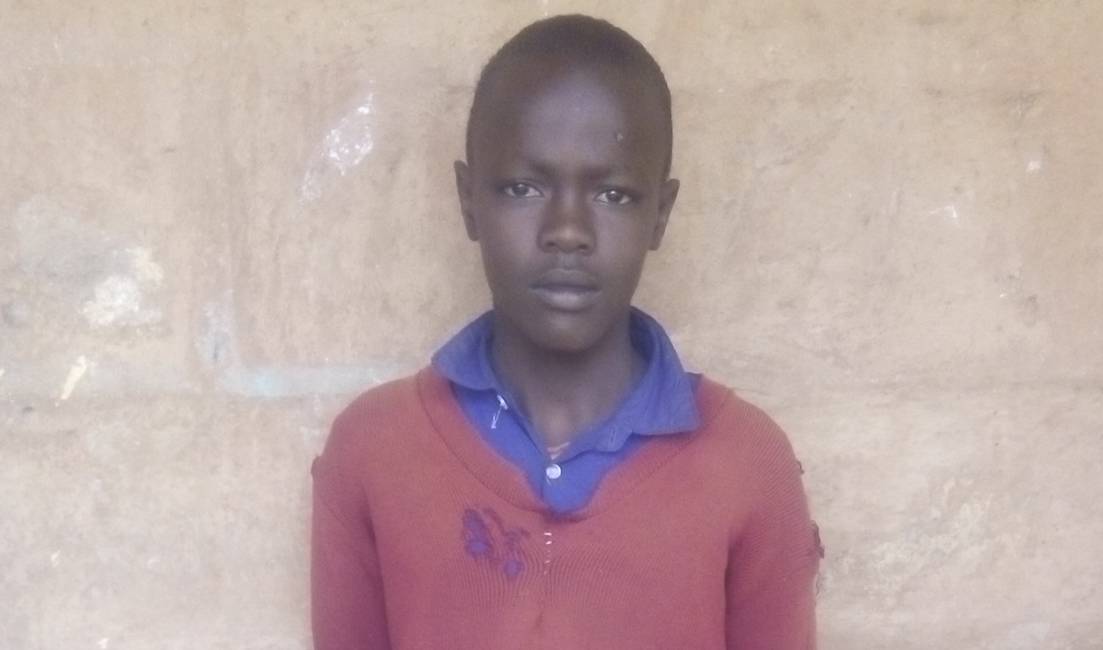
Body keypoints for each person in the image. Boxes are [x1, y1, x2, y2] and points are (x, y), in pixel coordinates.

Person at [311, 14, 822, 649]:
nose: (568, 231)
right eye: (523, 188)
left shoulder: (746, 463)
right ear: (468, 200)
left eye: (614, 195)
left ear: (661, 214)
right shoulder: (375, 450)